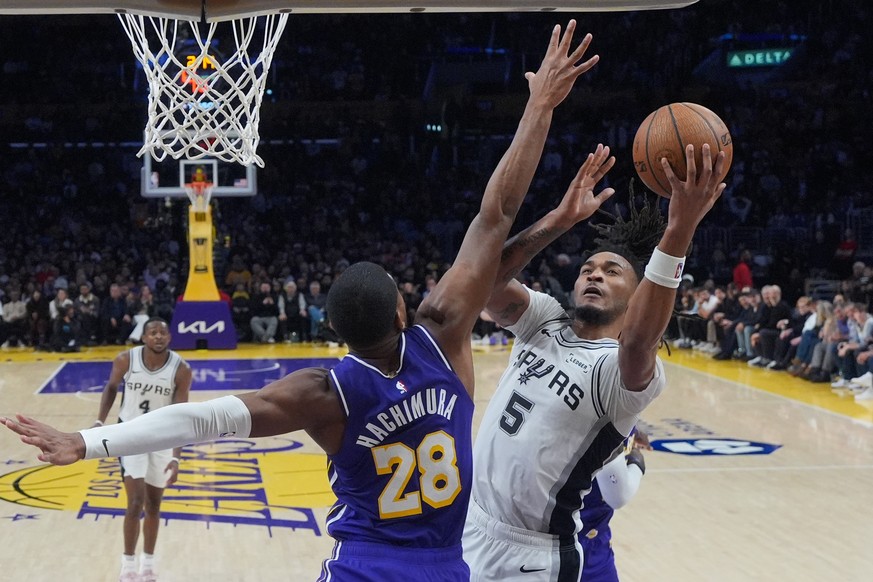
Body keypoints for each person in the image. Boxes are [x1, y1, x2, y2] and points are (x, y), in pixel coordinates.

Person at [2, 20, 599, 581]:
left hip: (363, 564)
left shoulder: (322, 391)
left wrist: (85, 442)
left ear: (335, 329)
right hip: (446, 563)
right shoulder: (441, 335)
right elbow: (494, 217)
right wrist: (539, 107)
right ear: (401, 311)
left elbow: (202, 419)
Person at [463, 139, 727, 580]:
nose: (595, 274)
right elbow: (484, 282)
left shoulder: (619, 376)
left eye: (612, 271)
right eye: (588, 268)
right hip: (471, 527)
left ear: (639, 294)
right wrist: (558, 220)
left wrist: (678, 231)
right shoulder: (543, 320)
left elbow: (640, 342)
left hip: (533, 557)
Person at [91, 317, 192, 582]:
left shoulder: (181, 369)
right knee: (134, 502)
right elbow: (111, 387)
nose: (158, 336)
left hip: (162, 438)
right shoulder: (126, 359)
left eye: (163, 333)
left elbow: (181, 416)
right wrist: (100, 421)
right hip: (131, 435)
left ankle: (148, 562)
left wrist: (177, 458)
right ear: (144, 337)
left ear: (169, 338)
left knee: (154, 504)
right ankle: (127, 565)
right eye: (153, 332)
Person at [579, 430, 650, 581]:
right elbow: (618, 497)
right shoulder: (606, 421)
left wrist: (632, 432)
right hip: (569, 542)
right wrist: (637, 465)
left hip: (595, 538)